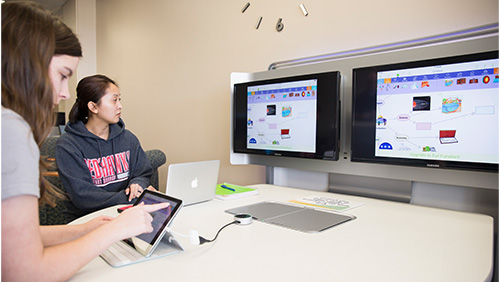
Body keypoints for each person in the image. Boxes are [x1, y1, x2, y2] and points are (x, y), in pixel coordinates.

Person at [1, 2, 168, 281]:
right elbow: (25, 273)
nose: (65, 93)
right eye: (63, 74)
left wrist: (85, 229)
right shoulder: (12, 130)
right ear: (28, 64)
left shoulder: (127, 138)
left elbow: (13, 236)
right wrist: (114, 229)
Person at [56, 74, 157, 222]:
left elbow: (142, 173)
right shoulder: (68, 145)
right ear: (93, 107)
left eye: (119, 100)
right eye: (114, 100)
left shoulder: (128, 138)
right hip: (87, 220)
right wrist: (130, 198)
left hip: (125, 213)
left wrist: (138, 184)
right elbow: (83, 196)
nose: (120, 106)